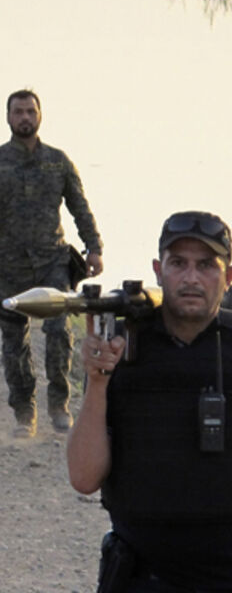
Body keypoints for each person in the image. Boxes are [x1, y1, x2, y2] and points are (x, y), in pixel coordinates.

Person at [67, 211, 232, 592]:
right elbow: (84, 478)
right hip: (142, 575)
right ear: (159, 271)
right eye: (179, 264)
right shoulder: (122, 347)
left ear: (227, 277)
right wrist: (96, 383)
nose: (191, 278)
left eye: (206, 265)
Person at [0, 89, 103, 437]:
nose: (24, 117)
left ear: (40, 116)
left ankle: (59, 404)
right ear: (8, 118)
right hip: (9, 264)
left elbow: (80, 206)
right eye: (18, 112)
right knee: (14, 340)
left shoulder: (58, 161)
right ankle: (24, 412)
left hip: (52, 260)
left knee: (59, 332)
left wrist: (94, 247)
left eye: (30, 111)